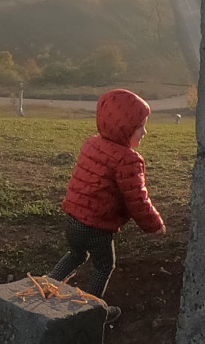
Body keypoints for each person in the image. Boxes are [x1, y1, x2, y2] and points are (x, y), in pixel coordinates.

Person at [47, 88, 165, 323]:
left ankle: (45, 286)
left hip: (73, 220)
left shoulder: (92, 143)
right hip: (96, 227)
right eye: (140, 126)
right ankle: (91, 312)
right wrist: (154, 225)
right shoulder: (128, 159)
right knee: (104, 266)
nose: (145, 132)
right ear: (125, 128)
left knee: (76, 255)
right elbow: (137, 198)